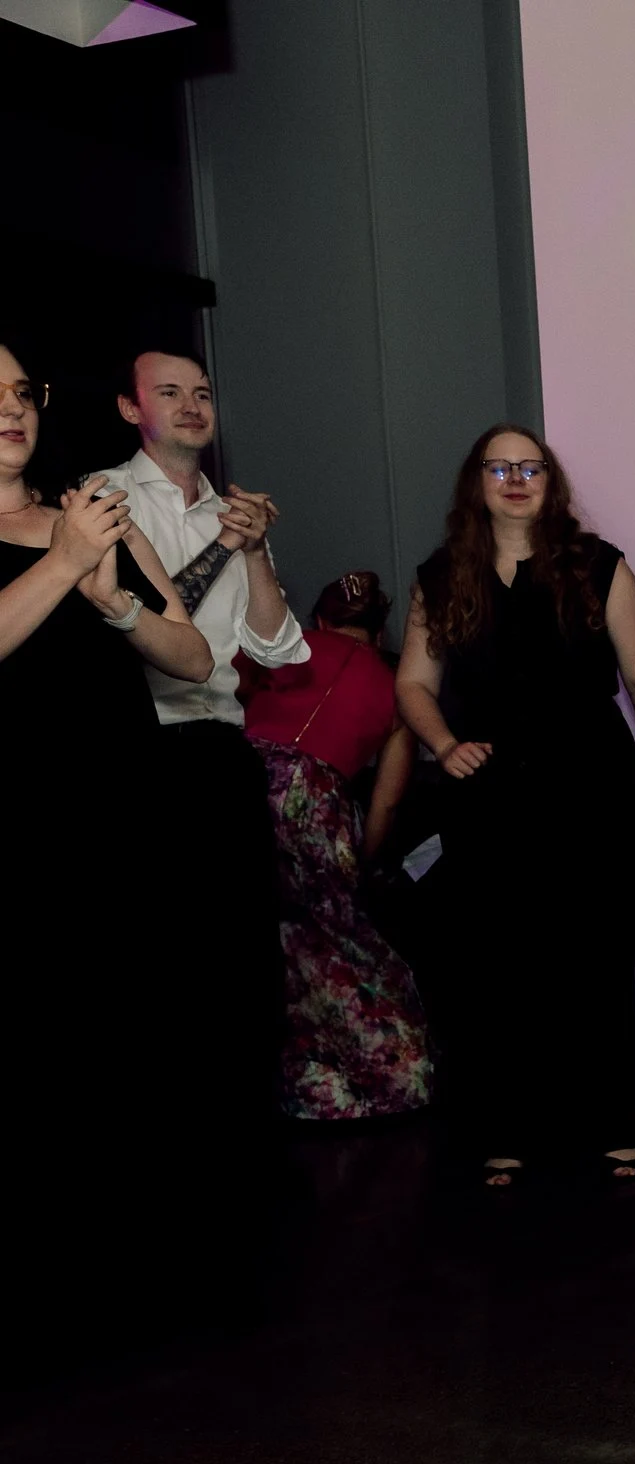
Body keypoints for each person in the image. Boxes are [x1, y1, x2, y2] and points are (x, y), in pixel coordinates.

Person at [396, 426, 635, 1185]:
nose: (517, 478)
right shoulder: (441, 576)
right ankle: (506, 1134)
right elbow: (412, 685)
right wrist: (443, 742)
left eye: (532, 466)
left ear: (551, 482)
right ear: (477, 483)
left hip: (589, 785)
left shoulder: (600, 567)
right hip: (490, 798)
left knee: (594, 955)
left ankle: (610, 1130)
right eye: (501, 467)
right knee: (498, 963)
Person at [0, 342, 208, 1244]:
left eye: (19, 390)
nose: (13, 407)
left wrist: (114, 599)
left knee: (130, 1044)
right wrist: (61, 564)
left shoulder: (92, 517)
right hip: (22, 835)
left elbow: (194, 656)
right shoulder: (76, 531)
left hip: (122, 817)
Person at [110, 347, 306, 1150]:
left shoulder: (235, 511)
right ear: (131, 409)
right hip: (143, 752)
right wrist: (226, 544)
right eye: (169, 392)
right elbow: (159, 629)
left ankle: (245, 1143)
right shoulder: (103, 499)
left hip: (223, 747)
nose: (192, 404)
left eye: (202, 391)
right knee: (166, 960)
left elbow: (274, 645)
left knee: (243, 955)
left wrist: (253, 549)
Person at [238, 571, 431, 1121]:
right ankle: (372, 1080)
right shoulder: (399, 690)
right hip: (318, 802)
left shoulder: (282, 648)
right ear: (380, 631)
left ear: (319, 621)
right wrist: (361, 866)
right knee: (334, 949)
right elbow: (386, 804)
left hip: (243, 784)